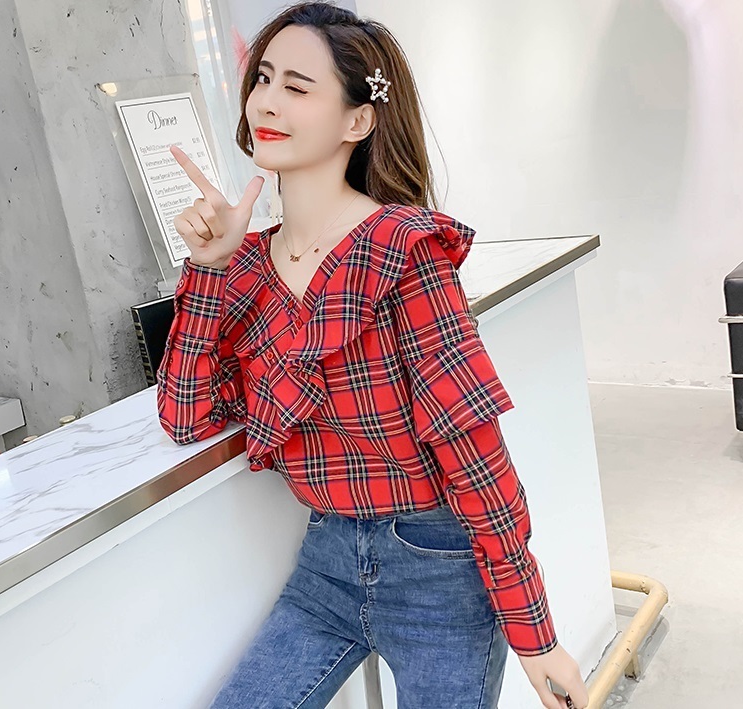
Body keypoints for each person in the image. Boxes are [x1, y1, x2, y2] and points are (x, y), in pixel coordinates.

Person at [157, 2, 589, 707]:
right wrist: (207, 267)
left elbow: (473, 449)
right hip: (325, 562)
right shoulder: (246, 266)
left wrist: (534, 632)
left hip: (437, 566)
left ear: (357, 121)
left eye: (297, 86)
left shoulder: (403, 249)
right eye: (262, 78)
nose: (266, 101)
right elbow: (185, 417)